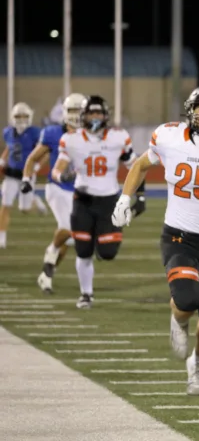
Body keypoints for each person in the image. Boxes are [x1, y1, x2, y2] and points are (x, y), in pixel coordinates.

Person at [112, 83, 199, 395]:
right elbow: (140, 164)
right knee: (188, 299)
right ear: (191, 110)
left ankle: (197, 364)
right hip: (178, 237)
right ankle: (178, 320)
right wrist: (124, 199)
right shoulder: (169, 136)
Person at [52, 95, 135, 308]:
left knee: (108, 253)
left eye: (99, 113)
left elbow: (135, 166)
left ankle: (100, 242)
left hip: (109, 201)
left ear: (106, 115)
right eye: (91, 113)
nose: (95, 117)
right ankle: (86, 294)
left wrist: (140, 195)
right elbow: (56, 170)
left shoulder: (118, 137)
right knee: (83, 251)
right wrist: (62, 176)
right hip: (83, 202)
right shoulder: (71, 139)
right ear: (84, 116)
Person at [20, 93, 85, 293]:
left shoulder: (91, 135)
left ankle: (47, 273)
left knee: (70, 238)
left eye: (79, 110)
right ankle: (51, 252)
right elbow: (33, 158)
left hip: (77, 190)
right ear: (64, 112)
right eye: (72, 110)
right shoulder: (53, 133)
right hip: (56, 187)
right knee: (68, 228)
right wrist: (26, 179)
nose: (76, 115)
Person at [0, 103, 43, 248]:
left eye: (24, 116)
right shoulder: (8, 132)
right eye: (18, 116)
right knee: (6, 204)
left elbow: (44, 150)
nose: (21, 119)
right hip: (11, 174)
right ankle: (1, 237)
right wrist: (2, 160)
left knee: (24, 209)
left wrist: (37, 166)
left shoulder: (35, 133)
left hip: (27, 174)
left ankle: (34, 200)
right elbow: (10, 147)